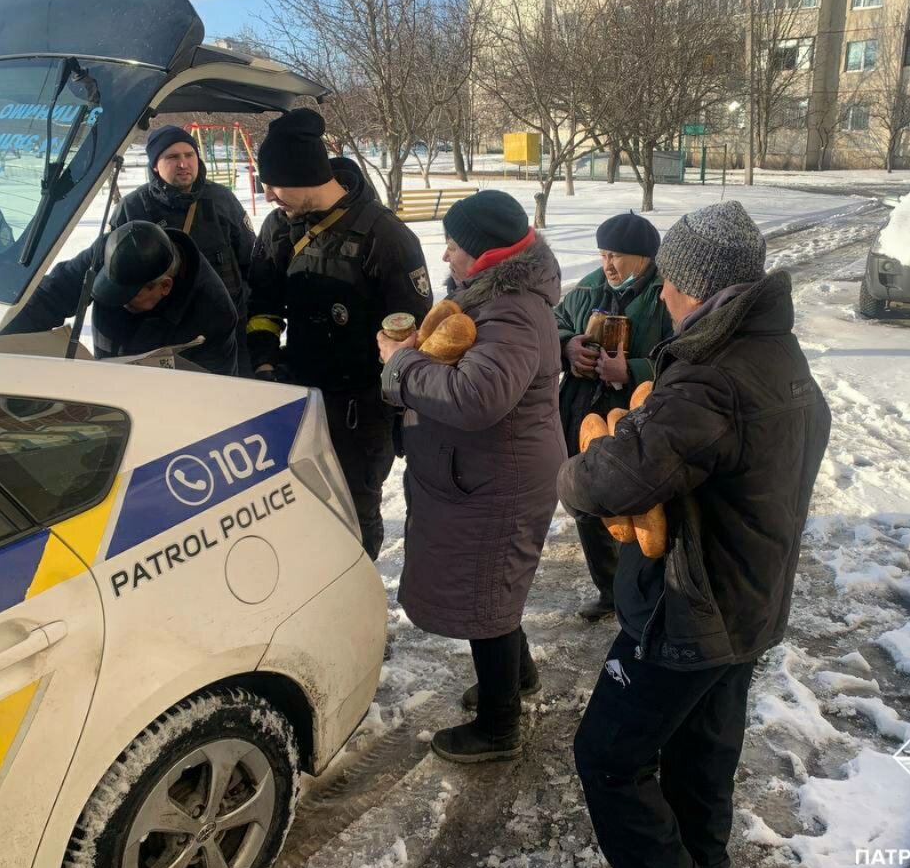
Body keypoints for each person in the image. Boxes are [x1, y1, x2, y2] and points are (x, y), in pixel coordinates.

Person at [558, 202, 831, 868]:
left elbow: (612, 480)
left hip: (689, 608)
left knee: (608, 758)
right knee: (701, 755)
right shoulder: (779, 353)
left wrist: (577, 471)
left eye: (668, 284)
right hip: (749, 600)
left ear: (692, 287)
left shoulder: (711, 377)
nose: (663, 299)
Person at [376, 190, 564, 763]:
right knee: (495, 586)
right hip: (489, 471)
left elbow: (478, 397)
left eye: (454, 248)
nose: (446, 259)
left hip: (498, 479)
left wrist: (399, 365)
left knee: (487, 596)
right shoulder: (495, 296)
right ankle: (517, 677)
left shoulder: (508, 307)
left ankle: (499, 726)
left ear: (483, 255)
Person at [247, 109, 431, 560]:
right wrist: (265, 362)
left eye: (275, 183)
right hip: (296, 397)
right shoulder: (277, 229)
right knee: (297, 512)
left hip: (361, 408)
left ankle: (358, 618)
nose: (268, 195)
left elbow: (416, 329)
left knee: (353, 512)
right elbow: (262, 309)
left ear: (305, 173)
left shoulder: (384, 236)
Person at [555, 212, 672, 622]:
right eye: (603, 253)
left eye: (617, 255)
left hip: (640, 418)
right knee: (588, 503)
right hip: (582, 411)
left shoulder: (667, 294)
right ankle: (608, 589)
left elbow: (688, 356)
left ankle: (644, 595)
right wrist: (568, 348)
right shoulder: (587, 289)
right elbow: (554, 326)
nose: (607, 264)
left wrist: (635, 371)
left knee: (639, 509)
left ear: (643, 259)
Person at [0, 220, 239, 375]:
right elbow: (49, 297)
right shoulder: (112, 251)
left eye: (128, 296)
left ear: (164, 287)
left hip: (167, 395)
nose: (120, 303)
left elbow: (214, 387)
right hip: (106, 370)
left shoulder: (214, 311)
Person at [111, 125, 256, 371]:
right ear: (155, 165)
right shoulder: (132, 208)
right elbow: (116, 274)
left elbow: (251, 261)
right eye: (172, 157)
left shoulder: (222, 200)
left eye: (189, 155)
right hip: (165, 337)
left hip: (226, 331)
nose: (183, 163)